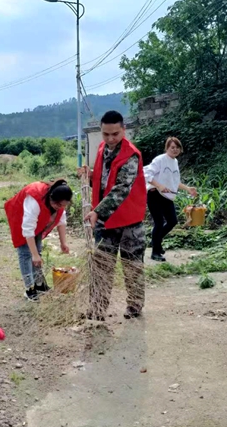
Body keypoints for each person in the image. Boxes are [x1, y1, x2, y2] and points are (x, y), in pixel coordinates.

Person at [79, 110, 147, 321]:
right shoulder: (101, 149)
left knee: (132, 267)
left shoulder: (131, 155)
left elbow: (120, 189)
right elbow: (102, 180)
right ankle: (97, 308)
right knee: (101, 267)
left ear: (124, 130)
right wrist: (88, 176)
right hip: (106, 222)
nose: (110, 139)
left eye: (115, 134)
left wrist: (97, 211)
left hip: (130, 223)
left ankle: (135, 306)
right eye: (106, 134)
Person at [4, 179, 72, 301]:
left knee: (37, 252)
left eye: (63, 205)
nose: (60, 208)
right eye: (58, 205)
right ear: (51, 198)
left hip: (37, 220)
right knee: (26, 253)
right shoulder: (35, 199)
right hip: (20, 216)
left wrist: (63, 243)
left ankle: (39, 284)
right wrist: (34, 255)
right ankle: (29, 289)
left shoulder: (59, 202)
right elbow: (28, 229)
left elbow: (61, 222)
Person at [143, 136, 197, 262]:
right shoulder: (160, 159)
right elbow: (147, 174)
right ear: (167, 148)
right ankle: (155, 252)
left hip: (168, 196)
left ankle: (156, 241)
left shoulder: (175, 162)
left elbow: (175, 181)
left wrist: (188, 189)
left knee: (172, 221)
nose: (175, 150)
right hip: (155, 194)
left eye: (177, 147)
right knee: (159, 222)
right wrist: (159, 186)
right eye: (172, 147)